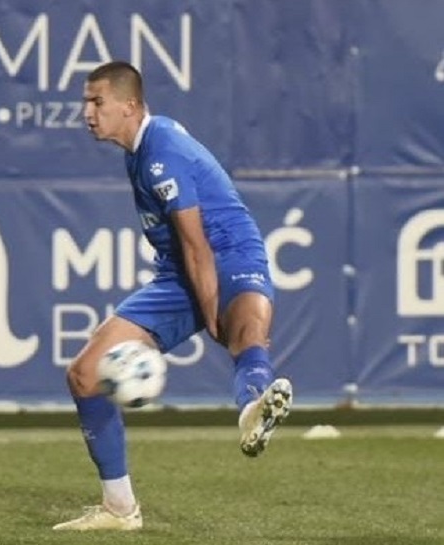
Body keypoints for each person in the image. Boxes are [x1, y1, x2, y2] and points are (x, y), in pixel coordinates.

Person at [52, 61, 293, 532]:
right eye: (86, 102)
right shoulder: (138, 150)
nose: (87, 112)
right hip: (177, 274)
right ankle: (119, 509)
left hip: (230, 252)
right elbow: (185, 253)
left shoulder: (161, 150)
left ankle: (253, 410)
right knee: (84, 374)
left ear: (130, 105)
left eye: (97, 102)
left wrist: (211, 312)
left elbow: (196, 243)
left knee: (246, 335)